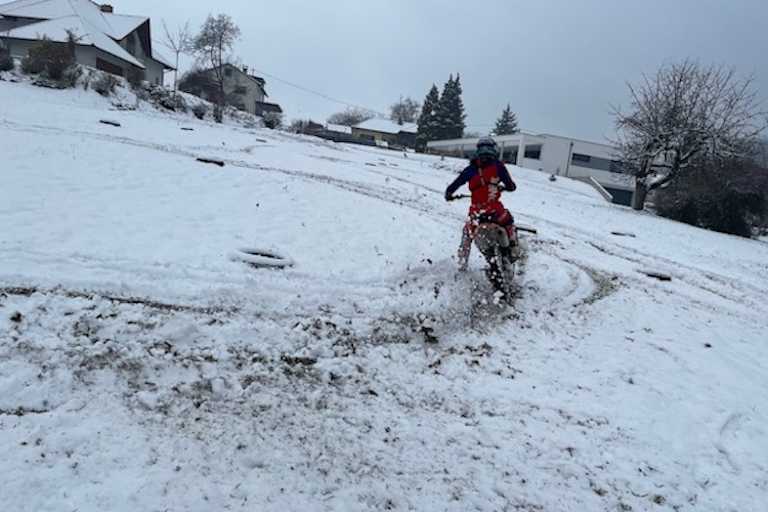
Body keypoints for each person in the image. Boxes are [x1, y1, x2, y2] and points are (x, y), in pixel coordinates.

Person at [444, 137, 517, 271]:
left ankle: (462, 261)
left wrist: (449, 194)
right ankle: (511, 246)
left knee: (467, 233)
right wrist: (504, 187)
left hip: (477, 214)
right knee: (509, 220)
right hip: (495, 211)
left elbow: (455, 184)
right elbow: (511, 186)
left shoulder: (471, 169)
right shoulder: (498, 166)